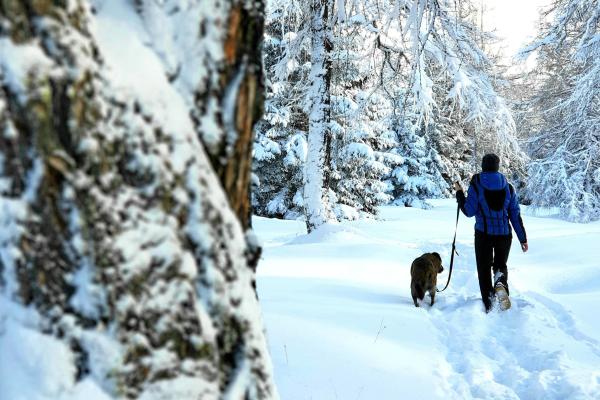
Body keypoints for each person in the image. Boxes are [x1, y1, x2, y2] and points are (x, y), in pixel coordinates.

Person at [455, 154, 528, 312]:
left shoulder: (476, 184)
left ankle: (489, 301)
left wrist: (460, 195)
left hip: (483, 234)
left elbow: (469, 211)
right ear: (497, 166)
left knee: (483, 267)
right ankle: (500, 283)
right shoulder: (508, 187)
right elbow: (515, 215)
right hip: (504, 235)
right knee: (500, 265)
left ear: (483, 166)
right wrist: (523, 239)